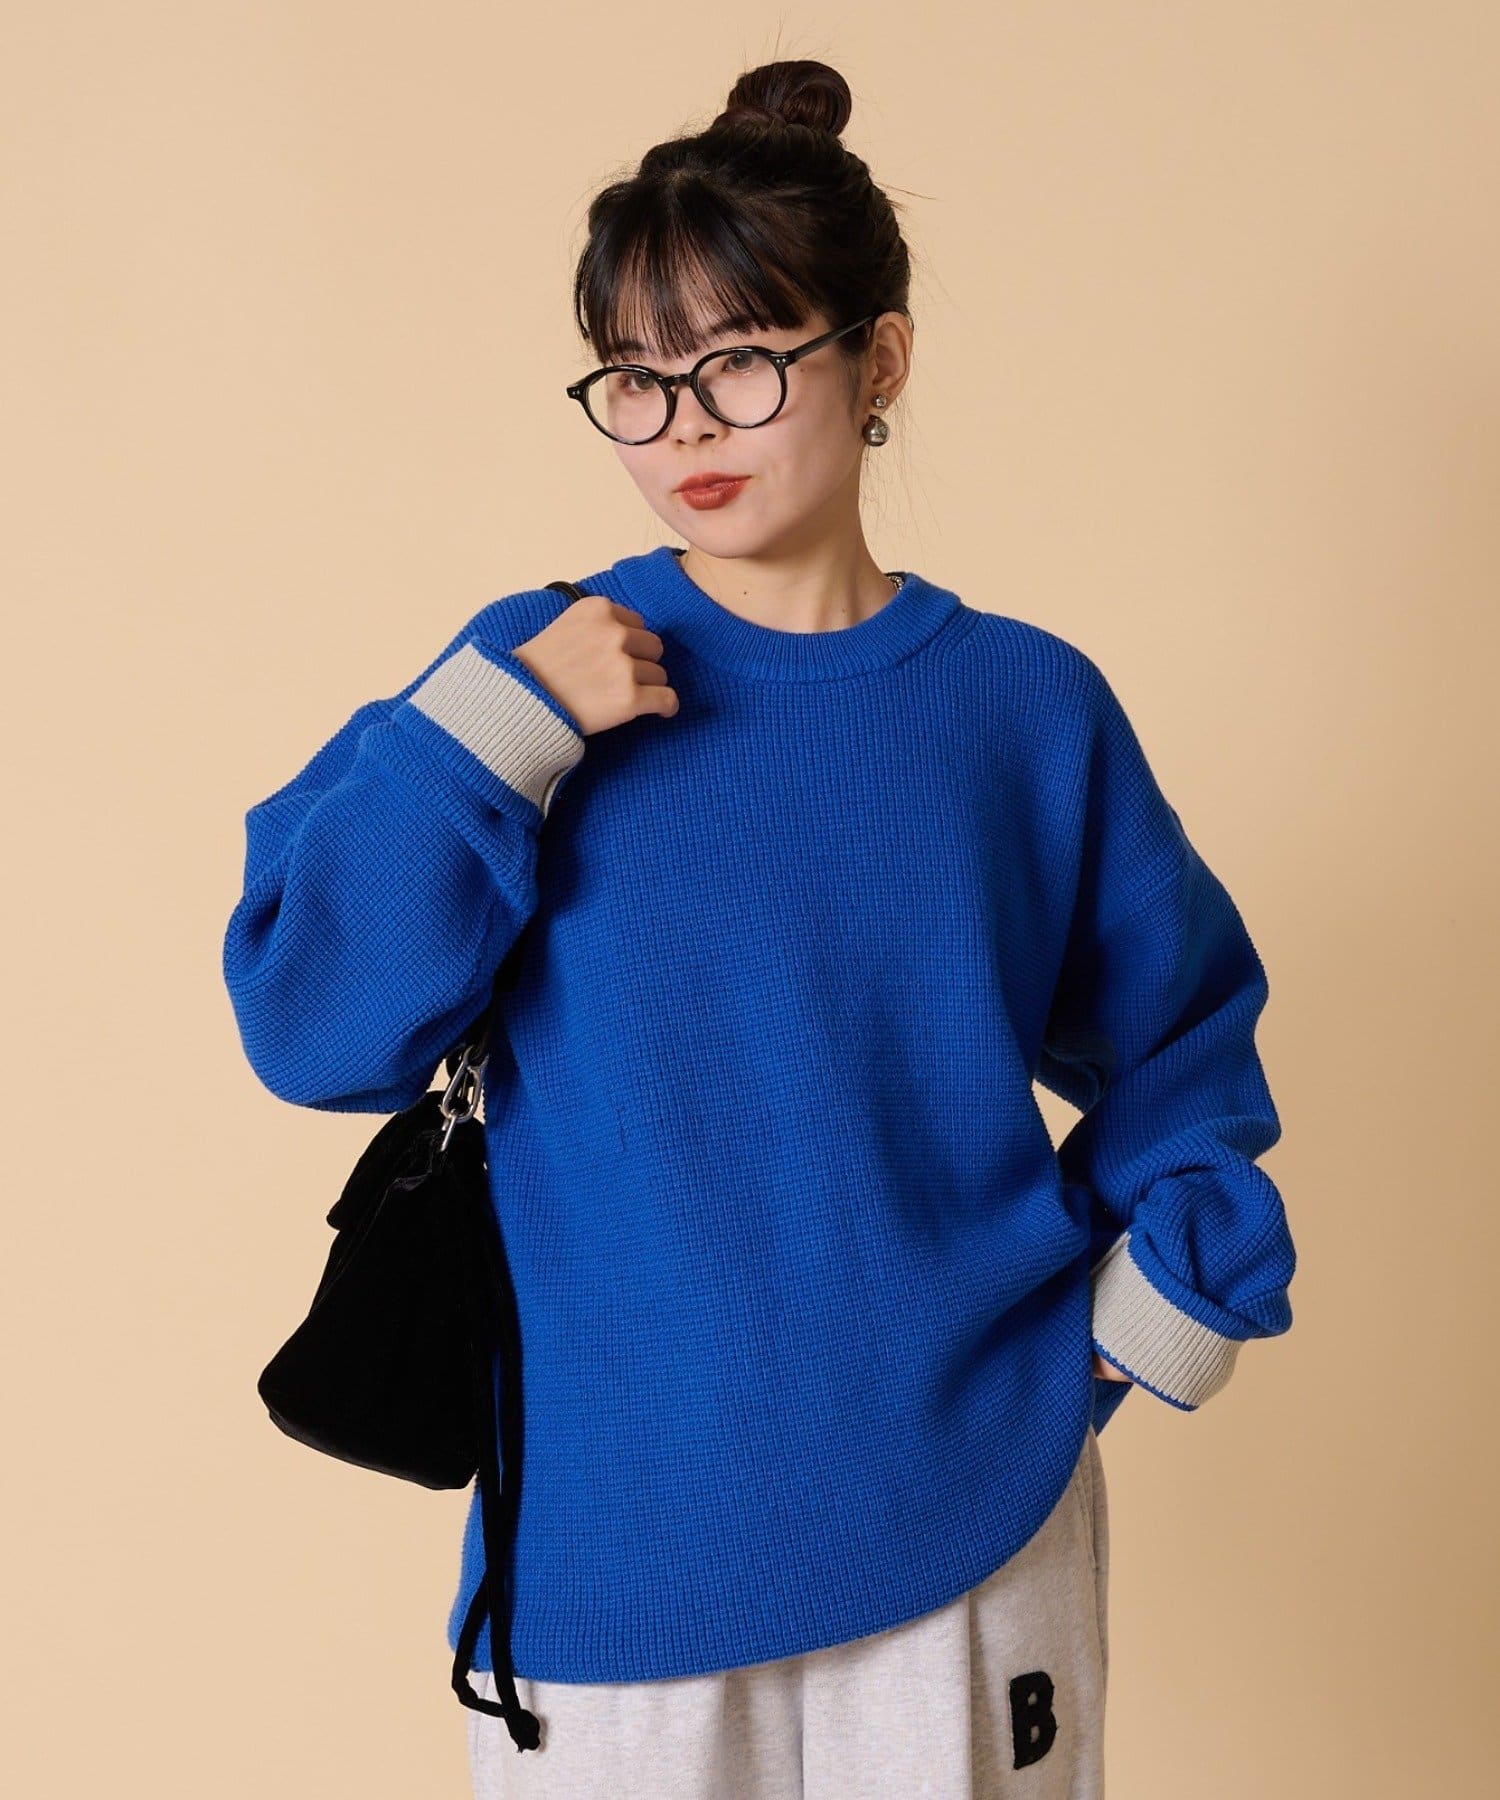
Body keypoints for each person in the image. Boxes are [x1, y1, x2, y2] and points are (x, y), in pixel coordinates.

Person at [222, 55, 1296, 1800]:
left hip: (975, 1518)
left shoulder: (1022, 708)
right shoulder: (531, 674)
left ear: (881, 360)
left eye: (739, 360)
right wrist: (502, 731)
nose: (684, 430)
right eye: (635, 381)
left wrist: (1146, 1321)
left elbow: (1189, 1049)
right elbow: (309, 1026)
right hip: (613, 1551)